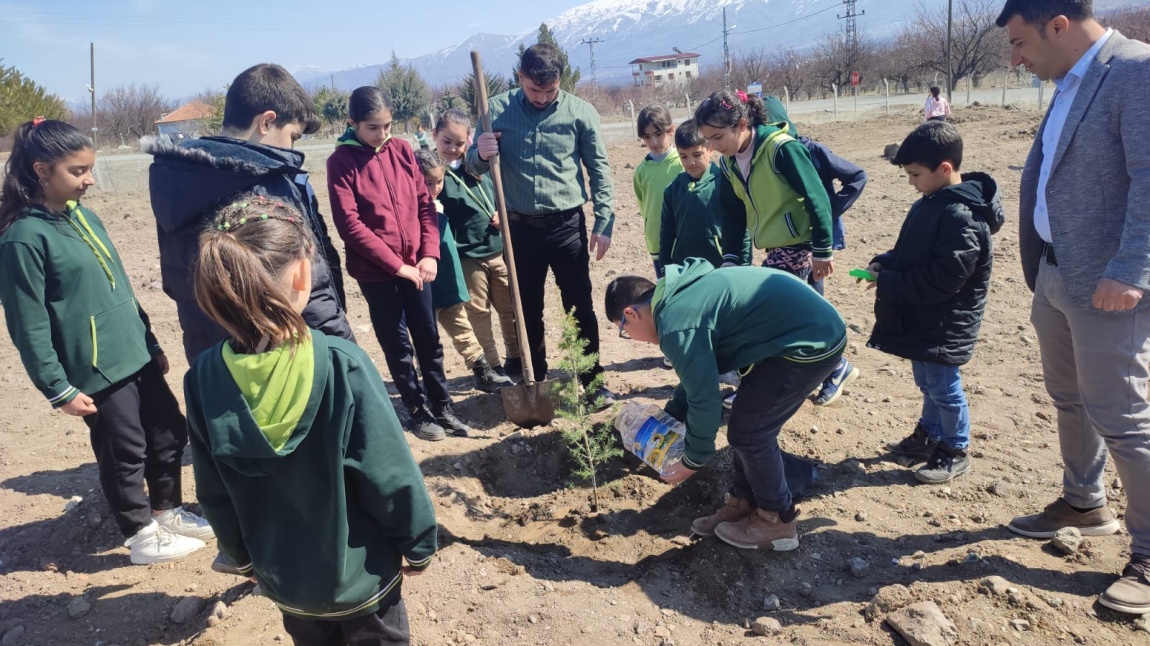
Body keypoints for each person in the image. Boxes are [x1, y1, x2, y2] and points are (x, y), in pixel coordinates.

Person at [186, 195, 437, 645]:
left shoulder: (203, 378)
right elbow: (391, 475)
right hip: (362, 582)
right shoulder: (343, 365)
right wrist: (417, 546)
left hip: (286, 584)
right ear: (303, 273)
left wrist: (242, 559)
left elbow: (213, 490)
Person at [996, 0, 1150, 615]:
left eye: (1019, 42)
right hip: (1057, 274)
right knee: (1070, 398)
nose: (1015, 58)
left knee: (1123, 416)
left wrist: (1131, 268)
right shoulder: (1070, 80)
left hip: (1108, 283)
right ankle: (1084, 502)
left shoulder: (1135, 71)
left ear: (1058, 25)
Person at [0, 119, 212, 565]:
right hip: (95, 368)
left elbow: (120, 287)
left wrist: (149, 341)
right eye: (78, 171)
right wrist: (57, 387)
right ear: (41, 170)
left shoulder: (83, 216)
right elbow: (27, 322)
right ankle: (140, 535)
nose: (90, 180)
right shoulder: (23, 238)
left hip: (133, 352)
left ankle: (167, 510)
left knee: (168, 432)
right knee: (123, 450)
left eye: (90, 169)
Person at [604, 260, 847, 551]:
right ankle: (745, 503)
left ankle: (778, 522)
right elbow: (698, 376)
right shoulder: (677, 297)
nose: (632, 339)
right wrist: (671, 418)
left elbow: (705, 399)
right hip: (794, 333)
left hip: (810, 342)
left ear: (630, 314)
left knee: (751, 433)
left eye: (624, 330)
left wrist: (691, 462)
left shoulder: (675, 322)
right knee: (746, 425)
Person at [145, 63, 353, 363]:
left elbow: (173, 280)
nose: (292, 149)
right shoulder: (264, 186)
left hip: (211, 354)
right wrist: (346, 354)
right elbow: (311, 289)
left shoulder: (177, 176)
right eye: (293, 137)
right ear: (266, 122)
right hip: (276, 358)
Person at [466, 43, 616, 406]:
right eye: (535, 90)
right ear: (521, 78)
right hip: (519, 229)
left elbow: (599, 169)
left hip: (567, 227)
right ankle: (536, 377)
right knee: (526, 307)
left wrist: (604, 220)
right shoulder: (494, 112)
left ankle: (592, 381)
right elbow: (471, 167)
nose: (543, 98)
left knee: (579, 305)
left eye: (550, 91)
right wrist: (481, 153)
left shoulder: (581, 113)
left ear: (560, 81)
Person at [695, 89, 859, 407]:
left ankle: (765, 387)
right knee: (801, 319)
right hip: (775, 249)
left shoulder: (780, 149)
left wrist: (823, 249)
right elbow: (732, 214)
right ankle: (835, 367)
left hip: (799, 246)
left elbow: (816, 197)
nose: (713, 147)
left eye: (717, 137)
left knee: (769, 319)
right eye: (708, 140)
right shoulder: (730, 164)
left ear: (742, 123)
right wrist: (731, 258)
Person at [327, 86, 473, 440]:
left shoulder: (403, 150)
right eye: (373, 128)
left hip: (418, 265)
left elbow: (425, 204)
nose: (382, 135)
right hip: (377, 273)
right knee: (397, 342)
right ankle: (417, 409)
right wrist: (396, 265)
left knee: (428, 335)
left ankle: (441, 404)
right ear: (353, 124)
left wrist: (429, 253)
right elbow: (350, 226)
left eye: (387, 126)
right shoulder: (341, 163)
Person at [865, 121, 1004, 484]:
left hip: (946, 323)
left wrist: (890, 282)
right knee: (928, 382)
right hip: (925, 319)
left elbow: (943, 279)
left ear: (944, 169)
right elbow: (914, 253)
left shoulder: (963, 217)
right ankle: (928, 434)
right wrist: (887, 262)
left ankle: (955, 449)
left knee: (944, 387)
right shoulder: (933, 202)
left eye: (915, 175)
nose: (912, 182)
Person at [433, 109, 521, 386]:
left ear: (469, 141)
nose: (452, 148)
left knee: (510, 308)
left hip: (497, 249)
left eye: (459, 143)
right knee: (478, 313)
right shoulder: (434, 175)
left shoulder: (482, 165)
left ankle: (516, 357)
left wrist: (501, 212)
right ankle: (492, 366)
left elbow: (502, 191)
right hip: (467, 256)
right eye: (447, 141)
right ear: (434, 135)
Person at [414, 147, 512, 394]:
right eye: (427, 183)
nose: (434, 188)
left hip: (447, 277)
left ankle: (482, 372)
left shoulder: (436, 205)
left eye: (438, 182)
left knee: (461, 326)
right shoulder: (411, 213)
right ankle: (427, 382)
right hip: (425, 283)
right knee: (426, 336)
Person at [658, 119, 750, 270]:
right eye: (684, 156)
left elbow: (741, 231)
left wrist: (744, 266)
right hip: (685, 270)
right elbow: (666, 236)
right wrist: (665, 270)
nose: (691, 162)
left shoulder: (726, 183)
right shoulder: (672, 190)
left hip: (721, 268)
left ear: (710, 149)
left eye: (697, 154)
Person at [633, 104, 682, 278]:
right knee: (667, 295)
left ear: (671, 131)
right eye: (647, 136)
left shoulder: (683, 164)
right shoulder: (642, 171)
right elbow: (643, 205)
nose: (653, 142)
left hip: (685, 242)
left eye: (658, 134)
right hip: (658, 244)